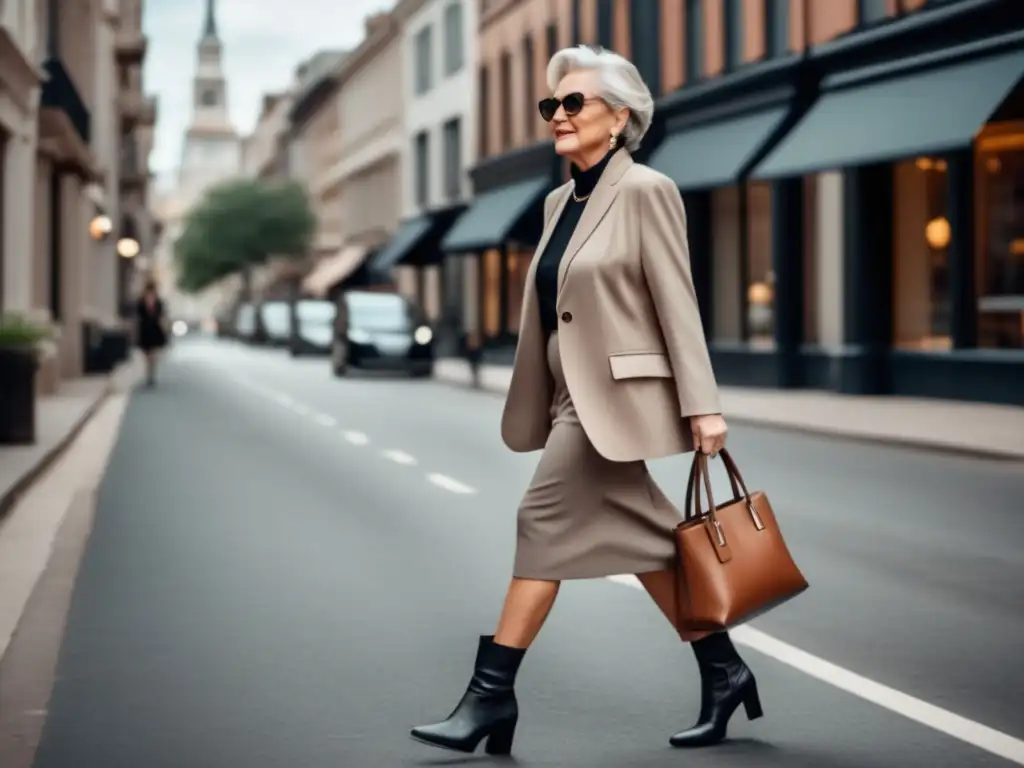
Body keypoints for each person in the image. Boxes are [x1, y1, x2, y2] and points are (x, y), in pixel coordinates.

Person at [410, 45, 761, 755]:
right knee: (654, 545)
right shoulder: (555, 202)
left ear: (619, 117)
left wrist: (704, 404)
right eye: (552, 105)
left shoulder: (645, 191)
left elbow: (677, 301)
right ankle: (724, 671)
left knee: (539, 520)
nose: (559, 116)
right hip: (570, 398)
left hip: (611, 402)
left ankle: (490, 698)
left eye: (574, 103)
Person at [135, 280, 167, 387]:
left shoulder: (159, 302)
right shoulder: (140, 302)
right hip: (145, 330)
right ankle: (148, 372)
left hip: (155, 329)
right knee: (146, 355)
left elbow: (162, 316)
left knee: (153, 354)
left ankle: (150, 376)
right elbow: (138, 316)